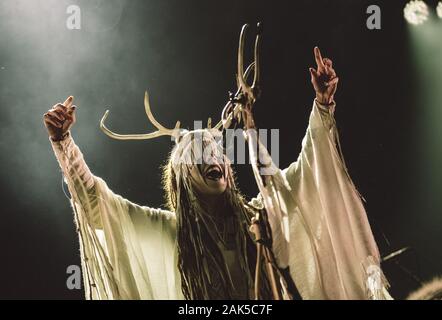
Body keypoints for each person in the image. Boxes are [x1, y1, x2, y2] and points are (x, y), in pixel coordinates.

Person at [44, 46, 390, 300]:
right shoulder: (170, 231)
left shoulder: (260, 215)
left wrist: (322, 104)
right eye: (198, 154)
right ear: (182, 176)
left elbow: (311, 166)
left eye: (217, 151)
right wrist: (64, 143)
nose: (213, 158)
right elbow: (99, 205)